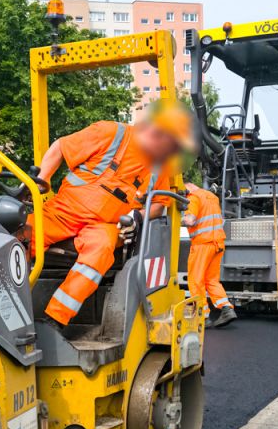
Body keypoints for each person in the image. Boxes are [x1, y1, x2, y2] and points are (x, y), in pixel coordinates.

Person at [29, 101, 196, 326]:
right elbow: (61, 147)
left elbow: (159, 203)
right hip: (63, 212)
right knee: (20, 234)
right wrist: (42, 179)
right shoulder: (109, 133)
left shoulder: (159, 166)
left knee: (102, 248)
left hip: (105, 226)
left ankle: (56, 317)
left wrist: (138, 217)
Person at [183, 183, 236, 328]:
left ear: (187, 189)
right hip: (217, 243)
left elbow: (190, 220)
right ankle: (226, 308)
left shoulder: (193, 198)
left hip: (202, 244)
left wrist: (176, 219)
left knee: (195, 280)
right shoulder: (212, 197)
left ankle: (202, 316)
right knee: (212, 280)